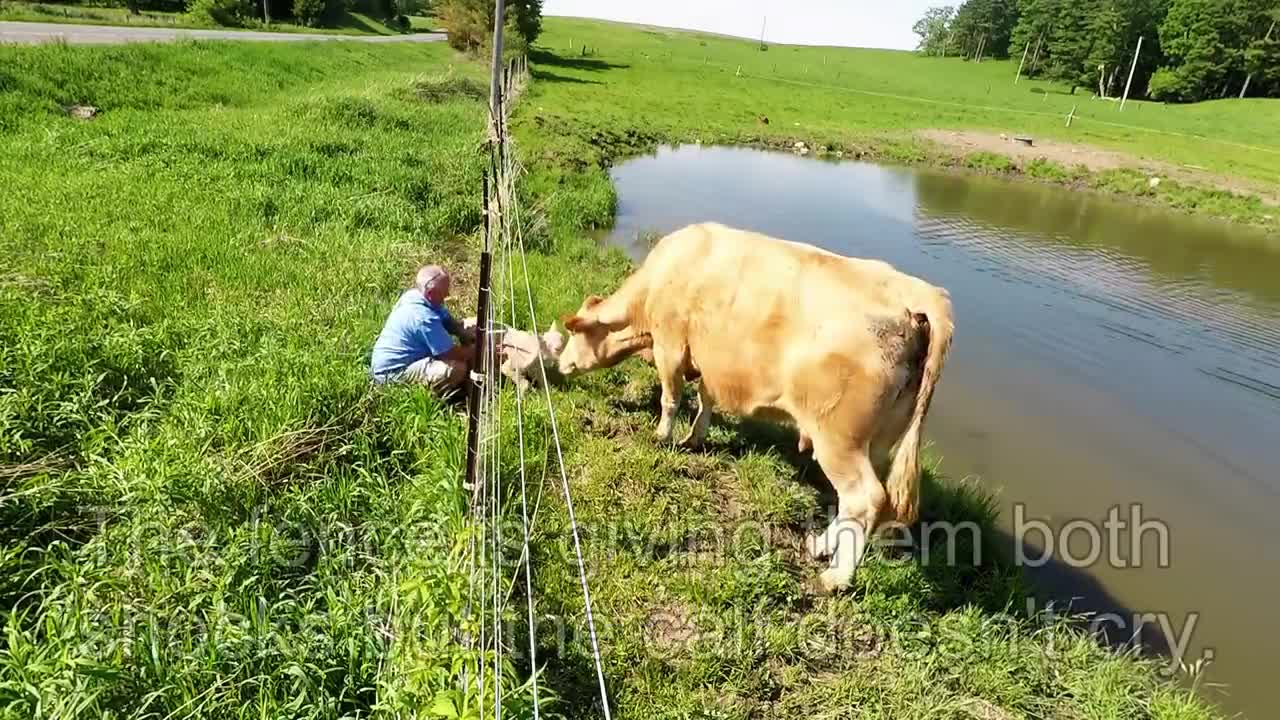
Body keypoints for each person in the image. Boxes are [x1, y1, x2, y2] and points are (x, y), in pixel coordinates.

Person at [370, 265, 476, 398]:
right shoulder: (423, 317)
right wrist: (478, 351)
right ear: (430, 294)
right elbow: (450, 353)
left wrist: (464, 332)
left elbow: (448, 321)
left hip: (398, 359)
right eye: (444, 292)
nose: (448, 294)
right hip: (392, 373)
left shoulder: (415, 296)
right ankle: (429, 397)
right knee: (456, 369)